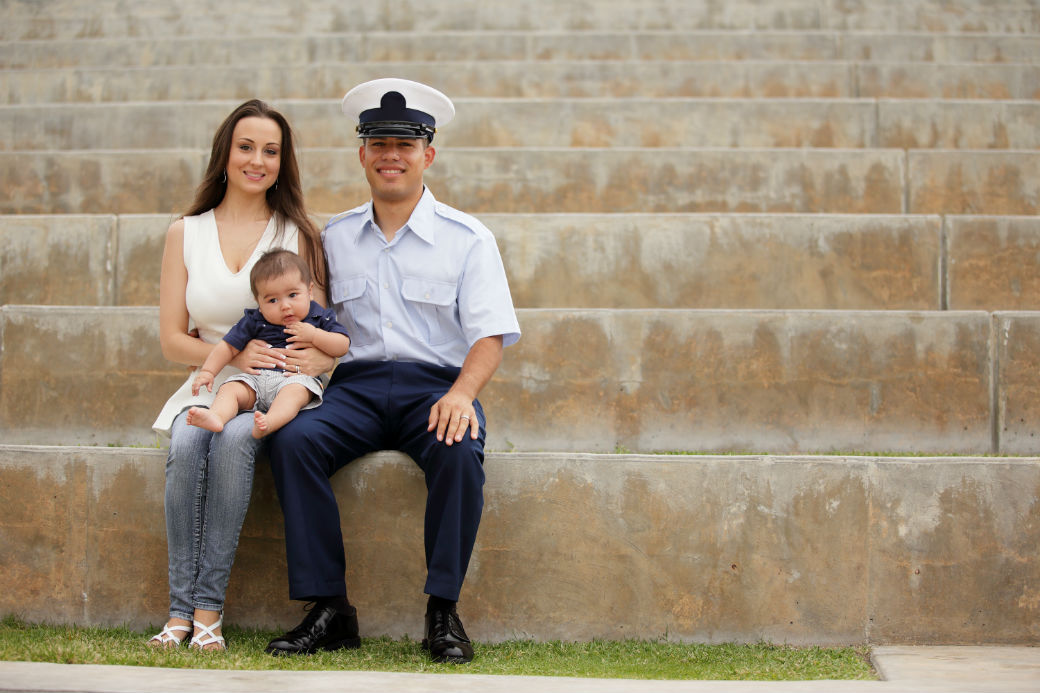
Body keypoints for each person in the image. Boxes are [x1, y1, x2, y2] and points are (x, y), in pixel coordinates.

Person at [264, 78, 521, 664]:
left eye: (405, 144)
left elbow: (489, 335)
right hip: (352, 388)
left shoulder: (467, 239)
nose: (391, 155)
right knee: (294, 438)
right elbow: (314, 317)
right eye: (378, 143)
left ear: (428, 154)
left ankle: (442, 610)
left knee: (459, 447)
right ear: (362, 154)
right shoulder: (333, 237)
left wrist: (462, 394)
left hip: (434, 387)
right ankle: (330, 609)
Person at [150, 99, 335, 651]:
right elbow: (170, 339)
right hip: (208, 382)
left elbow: (319, 337)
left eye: (271, 151)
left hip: (273, 388)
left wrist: (292, 370)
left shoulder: (296, 233)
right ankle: (178, 612)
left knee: (231, 440)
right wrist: (233, 357)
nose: (258, 160)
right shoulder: (184, 232)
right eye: (246, 147)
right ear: (225, 155)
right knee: (187, 441)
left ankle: (208, 610)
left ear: (284, 162)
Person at [186, 249, 350, 440]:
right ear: (259, 303)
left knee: (295, 393)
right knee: (230, 388)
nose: (285, 305)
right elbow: (227, 347)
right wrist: (207, 372)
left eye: (293, 295)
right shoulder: (255, 320)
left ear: (310, 291)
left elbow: (342, 345)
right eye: (272, 300)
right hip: (256, 380)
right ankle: (216, 416)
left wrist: (314, 335)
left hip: (295, 379)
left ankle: (270, 422)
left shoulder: (318, 317)